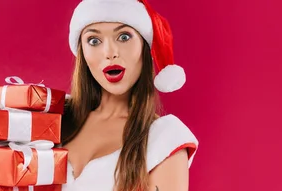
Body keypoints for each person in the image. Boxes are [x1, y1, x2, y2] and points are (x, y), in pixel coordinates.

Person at [60, 0, 199, 191]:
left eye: (124, 37)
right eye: (94, 41)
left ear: (144, 46)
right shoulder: (55, 117)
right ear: (82, 52)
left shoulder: (162, 140)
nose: (110, 53)